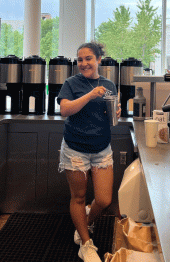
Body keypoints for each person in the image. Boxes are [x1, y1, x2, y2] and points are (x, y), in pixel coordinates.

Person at [57, 42, 121, 262]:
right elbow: (65, 109)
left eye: (88, 59)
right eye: (80, 59)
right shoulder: (71, 83)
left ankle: (86, 221)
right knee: (79, 197)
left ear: (98, 60)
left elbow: (109, 118)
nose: (83, 63)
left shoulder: (109, 84)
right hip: (75, 148)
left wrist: (116, 113)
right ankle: (85, 243)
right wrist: (91, 95)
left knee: (103, 200)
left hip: (101, 147)